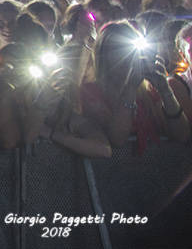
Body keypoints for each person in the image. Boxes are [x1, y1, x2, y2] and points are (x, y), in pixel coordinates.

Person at [81, 21, 190, 153]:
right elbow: (117, 139)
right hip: (114, 170)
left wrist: (165, 90)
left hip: (159, 167)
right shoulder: (90, 92)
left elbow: (182, 135)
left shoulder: (149, 90)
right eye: (118, 51)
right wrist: (131, 87)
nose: (126, 58)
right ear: (103, 56)